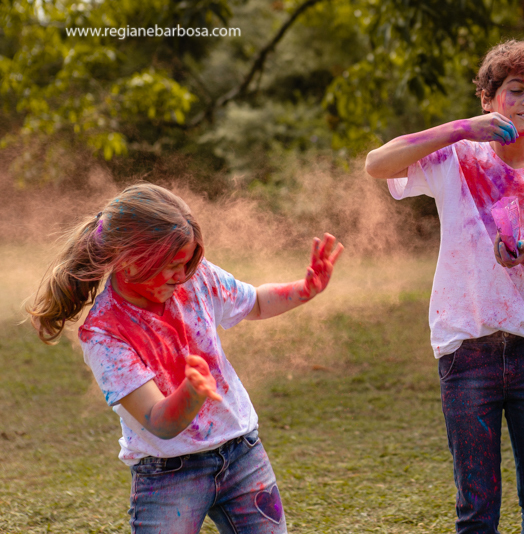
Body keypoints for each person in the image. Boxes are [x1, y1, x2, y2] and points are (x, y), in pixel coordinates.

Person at [365, 40, 524, 534]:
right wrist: (461, 129)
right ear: (487, 98)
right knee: (476, 513)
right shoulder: (457, 157)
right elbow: (377, 163)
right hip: (465, 352)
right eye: (516, 89)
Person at [28, 183, 343, 534]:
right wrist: (191, 393)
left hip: (242, 453)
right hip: (168, 474)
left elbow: (255, 302)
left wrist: (305, 289)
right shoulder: (105, 333)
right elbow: (159, 421)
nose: (182, 276)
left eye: (188, 263)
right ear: (127, 260)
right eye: (172, 265)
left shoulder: (196, 277)